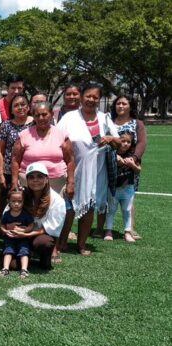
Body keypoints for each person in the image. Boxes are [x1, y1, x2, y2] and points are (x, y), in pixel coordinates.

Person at [57, 83, 120, 256]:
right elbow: (57, 138)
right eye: (88, 96)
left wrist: (110, 138)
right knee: (69, 207)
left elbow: (119, 142)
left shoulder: (104, 118)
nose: (91, 100)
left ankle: (81, 244)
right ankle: (61, 242)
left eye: (95, 97)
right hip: (73, 169)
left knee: (90, 206)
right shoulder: (69, 117)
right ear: (81, 97)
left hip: (97, 171)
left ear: (99, 100)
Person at [11, 100, 75, 263]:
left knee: (60, 211)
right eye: (37, 115)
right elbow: (15, 159)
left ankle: (55, 245)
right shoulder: (24, 135)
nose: (41, 118)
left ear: (51, 114)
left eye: (44, 114)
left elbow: (70, 160)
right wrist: (14, 181)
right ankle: (29, 243)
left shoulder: (61, 134)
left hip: (56, 180)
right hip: (29, 180)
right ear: (33, 116)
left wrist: (71, 182)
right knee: (30, 212)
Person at [6, 162, 67, 269]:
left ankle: (44, 258)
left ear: (46, 179)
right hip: (20, 234)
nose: (35, 180)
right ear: (27, 180)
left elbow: (51, 228)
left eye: (40, 176)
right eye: (31, 177)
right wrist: (10, 227)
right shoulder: (20, 195)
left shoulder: (57, 200)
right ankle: (26, 255)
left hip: (40, 235)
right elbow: (6, 216)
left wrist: (25, 234)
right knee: (13, 265)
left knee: (44, 242)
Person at [111, 94, 147, 239]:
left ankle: (130, 228)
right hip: (110, 164)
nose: (120, 106)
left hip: (130, 166)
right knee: (107, 196)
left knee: (129, 196)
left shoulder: (137, 123)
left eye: (124, 103)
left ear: (130, 106)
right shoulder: (109, 121)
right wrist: (114, 157)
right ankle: (103, 228)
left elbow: (142, 143)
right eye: (118, 103)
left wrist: (134, 158)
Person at [0, 94, 31, 217]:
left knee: (28, 201)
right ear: (11, 110)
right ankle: (3, 223)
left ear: (28, 107)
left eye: (23, 104)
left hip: (29, 171)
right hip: (9, 171)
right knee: (5, 200)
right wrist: (0, 174)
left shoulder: (35, 123)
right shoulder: (6, 125)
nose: (20, 107)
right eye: (16, 105)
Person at [104, 131, 141, 243]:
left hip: (128, 188)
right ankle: (108, 231)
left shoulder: (133, 154)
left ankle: (127, 232)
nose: (125, 144)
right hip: (113, 188)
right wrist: (115, 158)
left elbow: (138, 170)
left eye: (128, 142)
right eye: (123, 141)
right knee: (111, 210)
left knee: (127, 210)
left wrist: (132, 165)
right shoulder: (112, 152)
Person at [0, 190, 34, 279]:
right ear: (8, 201)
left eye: (19, 201)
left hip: (23, 239)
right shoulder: (7, 214)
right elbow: (2, 225)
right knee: (8, 251)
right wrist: (5, 231)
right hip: (10, 238)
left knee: (24, 252)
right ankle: (5, 268)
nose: (16, 204)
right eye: (13, 201)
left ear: (23, 202)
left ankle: (24, 269)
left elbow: (31, 225)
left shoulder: (26, 214)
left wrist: (24, 231)